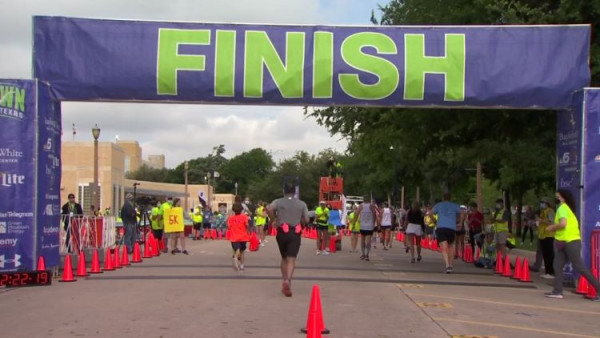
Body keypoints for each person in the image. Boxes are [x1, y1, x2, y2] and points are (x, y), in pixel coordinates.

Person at [544, 189, 600, 301]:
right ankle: (557, 291)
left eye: (558, 197)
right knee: (557, 266)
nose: (556, 199)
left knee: (579, 267)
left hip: (571, 241)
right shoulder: (567, 209)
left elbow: (563, 224)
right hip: (562, 241)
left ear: (563, 198)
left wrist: (552, 227)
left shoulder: (563, 208)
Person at [267, 181, 309, 297]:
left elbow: (269, 209)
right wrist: (302, 223)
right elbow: (306, 219)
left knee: (284, 258)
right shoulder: (302, 204)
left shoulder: (278, 201)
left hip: (282, 232)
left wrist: (273, 220)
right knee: (292, 259)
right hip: (295, 232)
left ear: (283, 191)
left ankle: (284, 279)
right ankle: (288, 281)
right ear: (295, 192)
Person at [433, 193, 464, 273]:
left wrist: (435, 221)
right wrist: (460, 222)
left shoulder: (438, 205)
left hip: (441, 227)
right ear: (450, 198)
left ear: (443, 198)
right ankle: (450, 264)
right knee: (450, 246)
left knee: (444, 247)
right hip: (451, 228)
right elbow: (462, 213)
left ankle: (447, 265)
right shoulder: (455, 205)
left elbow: (429, 213)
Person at [535, 197, 555, 278]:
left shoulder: (550, 211)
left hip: (549, 235)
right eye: (541, 202)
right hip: (543, 235)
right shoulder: (543, 211)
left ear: (547, 204)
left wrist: (541, 220)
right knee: (545, 254)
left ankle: (551, 272)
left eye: (543, 202)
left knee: (549, 255)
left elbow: (552, 222)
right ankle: (547, 272)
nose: (541, 204)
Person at [353, 195, 378, 261]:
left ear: (364, 199)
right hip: (369, 226)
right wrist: (373, 223)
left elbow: (356, 214)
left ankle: (363, 254)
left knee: (362, 240)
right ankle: (367, 254)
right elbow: (374, 215)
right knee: (368, 241)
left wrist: (353, 223)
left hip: (363, 225)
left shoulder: (361, 206)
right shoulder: (372, 206)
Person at [227, 202, 251, 271]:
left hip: (234, 237)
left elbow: (229, 227)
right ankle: (242, 265)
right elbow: (247, 225)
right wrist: (249, 231)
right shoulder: (244, 217)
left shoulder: (231, 218)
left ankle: (235, 260)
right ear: (241, 210)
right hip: (243, 237)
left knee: (236, 250)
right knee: (242, 251)